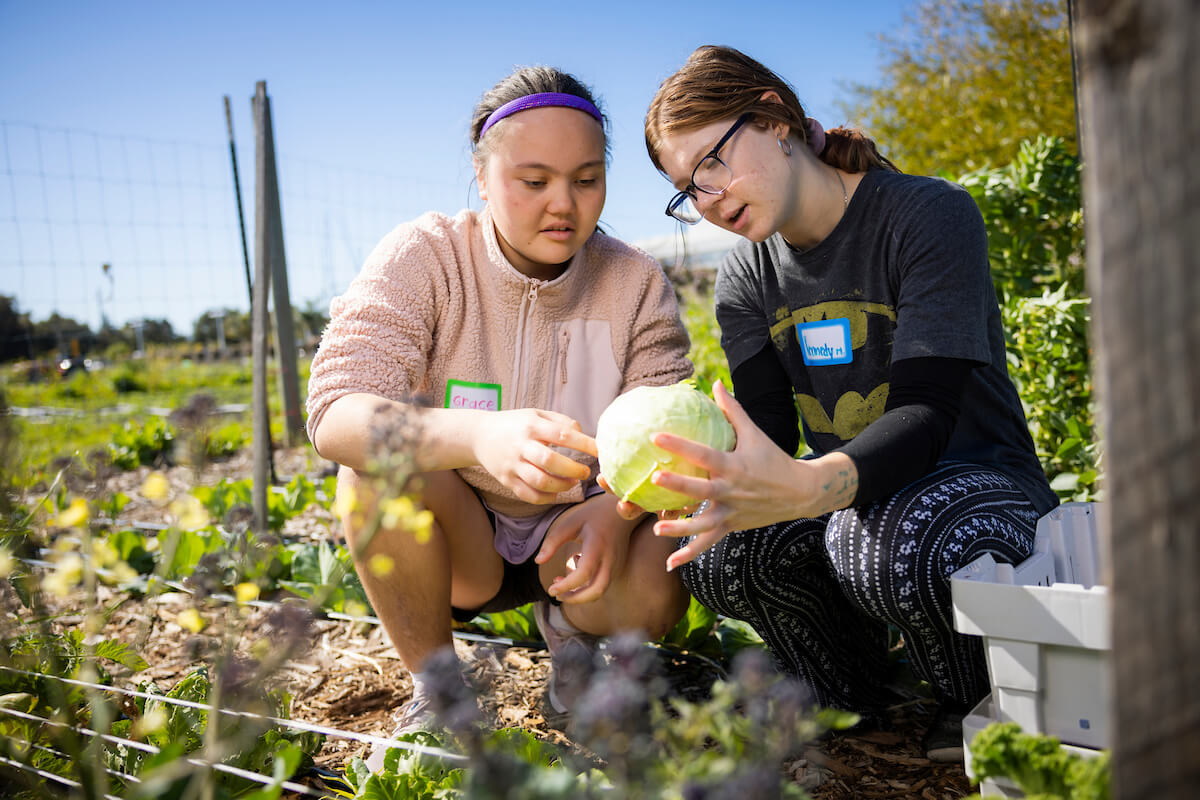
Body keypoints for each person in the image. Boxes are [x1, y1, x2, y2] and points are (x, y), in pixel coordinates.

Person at [627, 45, 1060, 762]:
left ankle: (976, 696)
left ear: (774, 119)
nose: (708, 199)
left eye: (712, 163)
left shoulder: (927, 215)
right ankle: (848, 695)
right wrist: (703, 479)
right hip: (849, 502)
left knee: (877, 538)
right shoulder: (746, 274)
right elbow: (768, 429)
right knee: (719, 553)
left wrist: (808, 487)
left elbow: (926, 415)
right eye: (686, 188)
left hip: (980, 486)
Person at [305, 65, 693, 764]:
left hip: (581, 533)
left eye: (586, 178)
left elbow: (670, 430)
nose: (564, 205)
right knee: (370, 469)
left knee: (662, 583)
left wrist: (617, 512)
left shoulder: (634, 280)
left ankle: (576, 643)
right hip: (461, 538)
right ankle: (439, 690)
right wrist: (478, 435)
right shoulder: (425, 256)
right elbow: (336, 411)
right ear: (483, 177)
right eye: (534, 180)